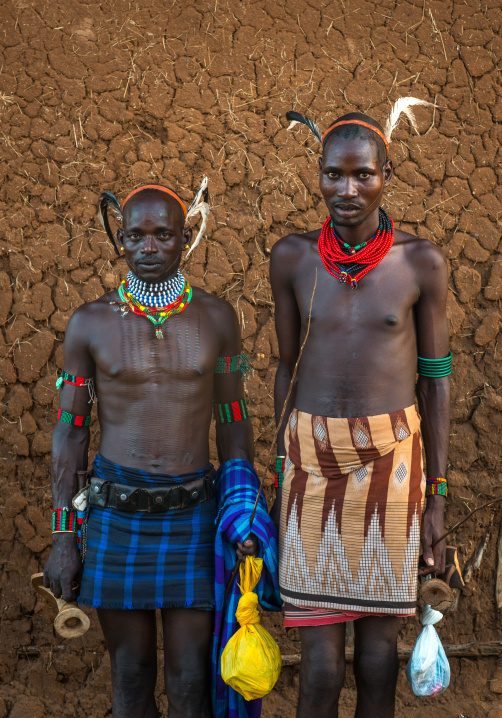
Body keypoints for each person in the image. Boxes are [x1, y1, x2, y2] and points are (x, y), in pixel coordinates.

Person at [43, 181, 279, 718]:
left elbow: (233, 420)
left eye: (164, 236)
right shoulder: (89, 323)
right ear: (120, 239)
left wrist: (244, 512)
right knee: (130, 676)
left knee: (191, 680)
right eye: (138, 237)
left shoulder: (219, 320)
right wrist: (64, 535)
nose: (150, 248)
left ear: (185, 239)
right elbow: (70, 432)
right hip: (114, 518)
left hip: (194, 517)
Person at [270, 98, 450, 718]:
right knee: (318, 670)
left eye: (363, 174)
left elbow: (437, 382)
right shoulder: (293, 258)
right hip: (310, 467)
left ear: (387, 177)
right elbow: (283, 369)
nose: (346, 189)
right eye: (333, 174)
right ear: (317, 174)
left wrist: (438, 495)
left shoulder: (420, 263)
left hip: (394, 468)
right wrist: (279, 472)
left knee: (377, 662)